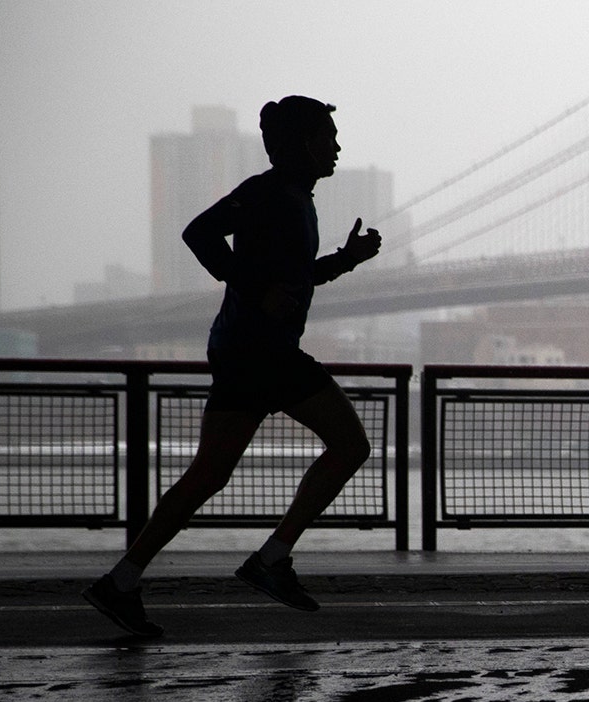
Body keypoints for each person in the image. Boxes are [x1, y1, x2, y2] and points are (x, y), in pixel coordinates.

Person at [83, 96, 382, 637]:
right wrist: (256, 289)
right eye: (328, 135)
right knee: (351, 445)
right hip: (257, 351)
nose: (337, 146)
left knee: (208, 474)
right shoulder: (266, 193)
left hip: (247, 349)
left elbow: (295, 279)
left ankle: (120, 581)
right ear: (300, 143)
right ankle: (270, 559)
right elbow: (198, 233)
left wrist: (347, 259)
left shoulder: (295, 198)